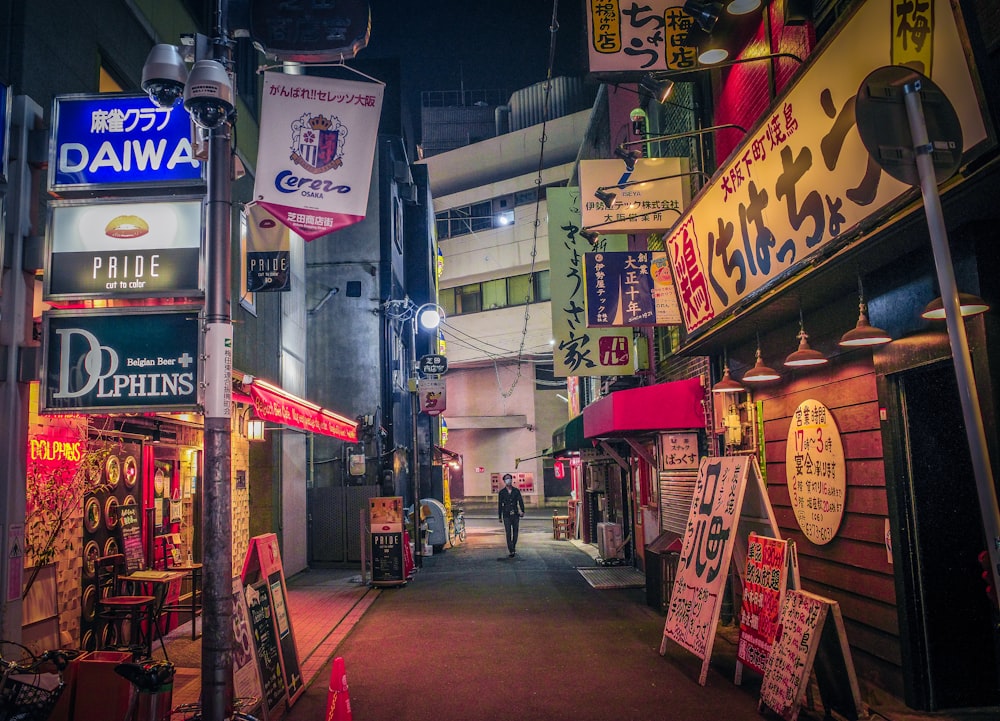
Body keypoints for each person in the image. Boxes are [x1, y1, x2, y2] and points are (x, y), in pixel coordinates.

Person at [498, 473, 525, 557]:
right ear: (504, 481)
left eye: (509, 478)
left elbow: (520, 501)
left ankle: (513, 546)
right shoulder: (502, 492)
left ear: (512, 480)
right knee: (508, 532)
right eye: (506, 479)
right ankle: (511, 549)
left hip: (515, 514)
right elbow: (500, 504)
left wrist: (522, 511)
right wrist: (500, 516)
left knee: (515, 531)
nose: (508, 480)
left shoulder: (516, 491)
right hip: (506, 514)